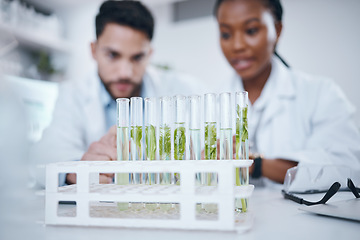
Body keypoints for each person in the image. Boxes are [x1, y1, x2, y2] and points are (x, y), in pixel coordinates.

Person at [30, 0, 200, 187]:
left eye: (137, 57)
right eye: (113, 55)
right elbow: (45, 158)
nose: (124, 72)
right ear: (93, 51)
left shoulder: (180, 89)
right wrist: (78, 170)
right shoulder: (73, 94)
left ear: (149, 54)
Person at [213, 0, 360, 185]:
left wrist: (255, 164)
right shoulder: (212, 103)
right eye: (226, 34)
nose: (237, 45)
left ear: (278, 30)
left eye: (251, 30)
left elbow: (345, 171)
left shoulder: (321, 94)